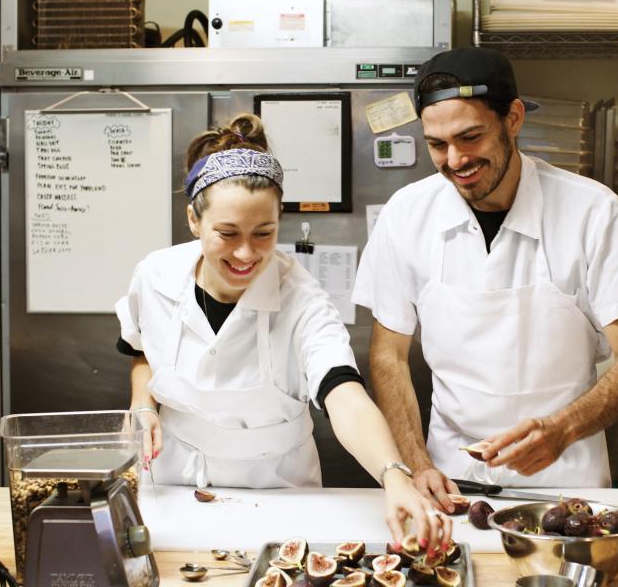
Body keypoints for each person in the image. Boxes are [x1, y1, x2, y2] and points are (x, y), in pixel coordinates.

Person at [352, 47, 618, 510]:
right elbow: (389, 355)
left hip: (566, 479)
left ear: (513, 119)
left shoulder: (593, 212)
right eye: (437, 144)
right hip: (448, 479)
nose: (455, 160)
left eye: (470, 137)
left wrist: (562, 429)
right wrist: (416, 464)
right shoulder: (406, 214)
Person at [116, 114, 451, 546]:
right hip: (175, 486)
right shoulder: (155, 276)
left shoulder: (303, 299)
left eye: (264, 233)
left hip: (279, 494)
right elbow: (141, 351)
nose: (245, 253)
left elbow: (343, 395)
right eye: (227, 233)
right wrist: (143, 405)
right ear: (194, 220)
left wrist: (394, 475)